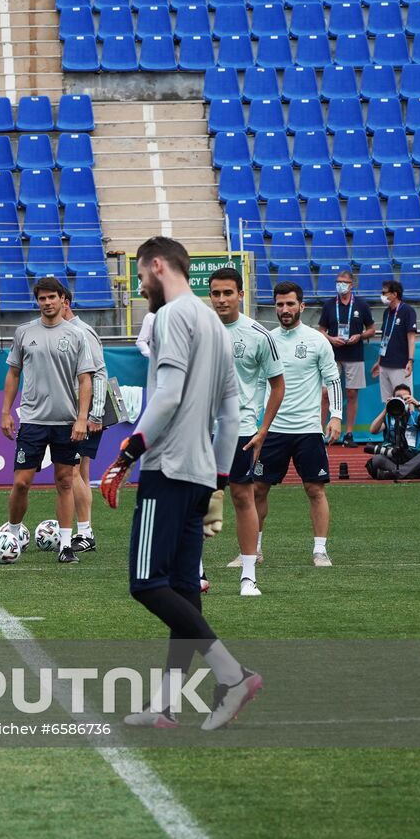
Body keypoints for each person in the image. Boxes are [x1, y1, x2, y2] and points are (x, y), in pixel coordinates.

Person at [99, 237, 260, 732]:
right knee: (184, 594)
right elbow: (232, 415)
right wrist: (216, 481)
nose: (139, 286)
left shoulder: (171, 316)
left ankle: (232, 675)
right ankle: (165, 705)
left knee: (146, 583)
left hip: (166, 470)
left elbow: (167, 396)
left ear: (158, 265)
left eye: (141, 276)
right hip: (198, 475)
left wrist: (126, 454)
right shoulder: (214, 322)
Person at [0, 277, 99, 565]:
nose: (47, 303)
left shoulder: (77, 335)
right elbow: (13, 374)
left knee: (65, 481)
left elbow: (85, 380)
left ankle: (65, 546)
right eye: (42, 298)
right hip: (32, 420)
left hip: (67, 422)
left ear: (62, 299)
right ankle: (14, 534)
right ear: (37, 301)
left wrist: (82, 418)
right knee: (21, 482)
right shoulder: (24, 333)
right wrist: (6, 411)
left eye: (51, 297)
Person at [254, 281, 344, 568]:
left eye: (290, 303)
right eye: (280, 304)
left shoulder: (318, 341)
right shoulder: (267, 339)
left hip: (307, 429)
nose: (285, 309)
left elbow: (333, 379)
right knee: (257, 488)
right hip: (273, 428)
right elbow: (257, 383)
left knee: (315, 489)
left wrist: (336, 415)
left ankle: (320, 551)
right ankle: (253, 549)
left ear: (301, 306)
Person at [208, 269, 285, 598]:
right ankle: (192, 572)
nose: (221, 299)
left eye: (228, 293)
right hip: (199, 429)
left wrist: (264, 430)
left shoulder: (258, 334)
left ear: (241, 294)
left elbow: (278, 385)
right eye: (216, 293)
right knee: (193, 500)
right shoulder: (197, 331)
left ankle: (248, 577)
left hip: (239, 430)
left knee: (242, 497)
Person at [60, 288, 108, 554]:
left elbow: (98, 373)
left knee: (73, 471)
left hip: (87, 413)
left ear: (65, 303)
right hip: (72, 411)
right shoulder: (61, 332)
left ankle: (85, 532)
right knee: (81, 472)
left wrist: (95, 413)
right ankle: (84, 530)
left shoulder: (83, 331)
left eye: (53, 299)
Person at [317, 269, 375, 446]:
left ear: (351, 285)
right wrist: (331, 339)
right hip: (332, 356)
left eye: (343, 281)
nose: (339, 285)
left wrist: (360, 336)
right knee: (325, 394)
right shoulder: (329, 305)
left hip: (354, 354)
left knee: (351, 393)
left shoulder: (361, 305)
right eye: (337, 281)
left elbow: (372, 329)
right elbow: (321, 330)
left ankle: (349, 433)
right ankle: (319, 432)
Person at [365, 384, 420, 480]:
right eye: (399, 398)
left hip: (414, 458)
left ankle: (396, 474)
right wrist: (386, 409)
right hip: (394, 458)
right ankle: (409, 473)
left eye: (405, 398)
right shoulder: (388, 418)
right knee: (377, 459)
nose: (402, 401)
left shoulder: (416, 417)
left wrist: (417, 404)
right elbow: (373, 430)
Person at [372, 280, 418, 401]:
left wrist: (410, 360)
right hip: (384, 364)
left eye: (385, 292)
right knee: (387, 402)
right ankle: (389, 421)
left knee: (405, 400)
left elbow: (411, 337)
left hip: (400, 364)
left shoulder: (408, 311)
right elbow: (384, 338)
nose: (382, 295)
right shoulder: (387, 312)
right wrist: (379, 361)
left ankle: (409, 420)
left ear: (394, 294)